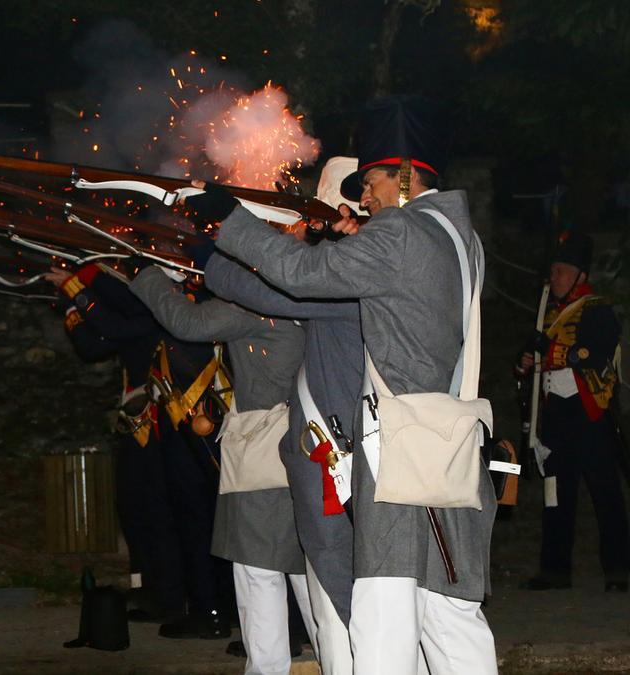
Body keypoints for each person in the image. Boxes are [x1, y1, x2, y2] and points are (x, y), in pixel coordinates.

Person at [190, 95, 499, 674]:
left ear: (403, 175)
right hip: (442, 441)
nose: (365, 197)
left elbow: (300, 274)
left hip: (397, 448)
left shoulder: (401, 231)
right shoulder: (460, 237)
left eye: (373, 181)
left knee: (383, 614)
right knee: (447, 615)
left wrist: (227, 222)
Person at [198, 156, 363, 675]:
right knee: (322, 580)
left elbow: (265, 288)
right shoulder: (349, 262)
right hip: (326, 443)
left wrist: (212, 251)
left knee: (331, 583)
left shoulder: (348, 272)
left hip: (337, 443)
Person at [128, 259, 315, 674]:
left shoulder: (258, 303)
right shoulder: (306, 292)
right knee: (307, 570)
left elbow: (187, 322)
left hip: (264, 449)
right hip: (304, 444)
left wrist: (147, 274)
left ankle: (268, 669)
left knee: (259, 571)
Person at [48, 263, 233, 638]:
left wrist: (77, 286)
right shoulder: (155, 302)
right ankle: (183, 599)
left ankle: (206, 607)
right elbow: (98, 340)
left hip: (189, 418)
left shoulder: (175, 304)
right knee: (155, 512)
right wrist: (75, 295)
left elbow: (114, 328)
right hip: (168, 419)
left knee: (188, 516)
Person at [517, 231, 628, 592]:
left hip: (589, 413)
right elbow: (535, 358)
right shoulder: (547, 313)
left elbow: (595, 353)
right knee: (555, 492)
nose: (555, 277)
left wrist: (553, 354)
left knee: (605, 493)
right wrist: (527, 361)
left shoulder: (597, 309)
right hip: (556, 417)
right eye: (553, 270)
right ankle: (554, 570)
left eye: (562, 271)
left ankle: (619, 570)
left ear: (581, 275)